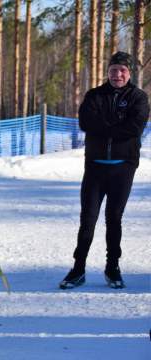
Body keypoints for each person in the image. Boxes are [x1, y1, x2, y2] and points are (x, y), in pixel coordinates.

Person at [60, 51, 149, 290]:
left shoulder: (139, 97)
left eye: (122, 71)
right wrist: (118, 117)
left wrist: (104, 126)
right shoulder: (94, 95)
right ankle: (78, 269)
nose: (117, 74)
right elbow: (86, 124)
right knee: (87, 219)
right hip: (96, 167)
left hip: (123, 167)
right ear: (107, 72)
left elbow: (135, 128)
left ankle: (112, 268)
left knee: (114, 219)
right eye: (113, 70)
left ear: (129, 73)